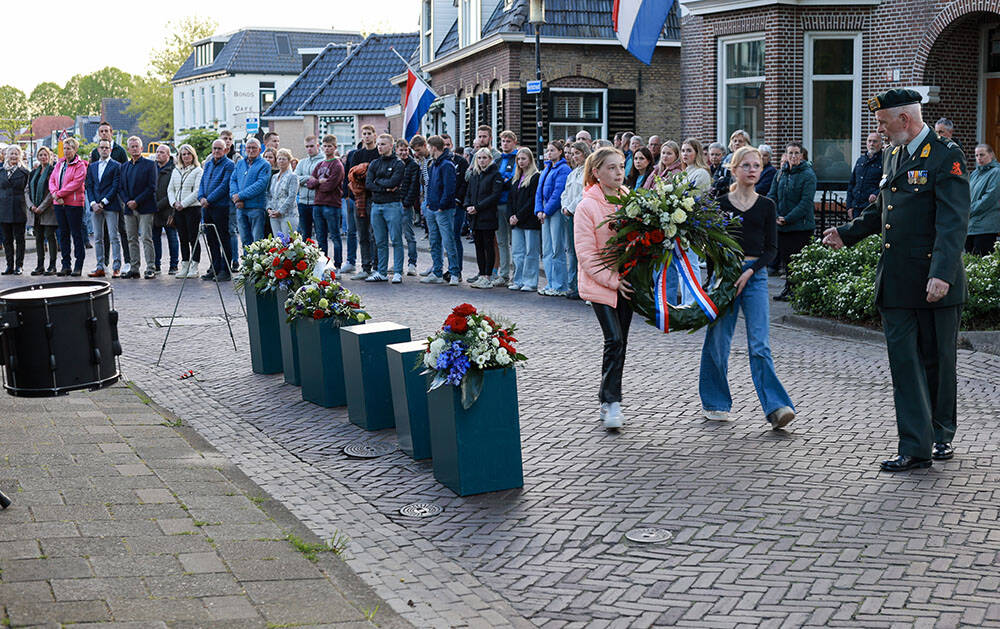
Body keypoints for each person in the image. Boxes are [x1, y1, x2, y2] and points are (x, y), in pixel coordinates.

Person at [822, 88, 969, 472]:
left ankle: (941, 433)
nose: (880, 131)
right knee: (904, 363)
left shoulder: (946, 155)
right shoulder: (893, 154)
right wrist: (847, 232)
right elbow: (882, 210)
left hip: (933, 281)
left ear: (904, 120)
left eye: (883, 123)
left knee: (937, 361)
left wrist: (941, 274)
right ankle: (916, 447)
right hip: (897, 281)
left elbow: (953, 223)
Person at [700, 146, 796, 429]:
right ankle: (716, 403)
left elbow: (771, 249)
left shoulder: (767, 205)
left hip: (756, 277)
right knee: (718, 340)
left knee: (760, 344)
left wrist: (751, 271)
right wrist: (717, 274)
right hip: (726, 275)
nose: (753, 170)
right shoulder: (719, 203)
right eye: (746, 166)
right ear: (734, 169)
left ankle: (777, 407)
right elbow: (709, 243)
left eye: (757, 165)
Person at [574, 147, 632, 430]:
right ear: (597, 172)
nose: (618, 172)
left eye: (621, 166)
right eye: (611, 168)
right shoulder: (587, 206)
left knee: (621, 343)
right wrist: (612, 281)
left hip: (627, 284)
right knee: (614, 340)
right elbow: (586, 254)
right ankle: (611, 402)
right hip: (601, 285)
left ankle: (608, 398)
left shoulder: (631, 201)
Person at [769, 141, 817, 300]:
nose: (793, 156)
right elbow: (772, 196)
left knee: (797, 261)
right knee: (786, 260)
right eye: (790, 153)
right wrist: (775, 215)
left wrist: (788, 218)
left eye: (796, 153)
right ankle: (788, 289)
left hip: (800, 227)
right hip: (781, 225)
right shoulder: (780, 174)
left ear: (802, 155)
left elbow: (805, 203)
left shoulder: (808, 175)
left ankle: (796, 291)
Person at [420, 135, 461, 285]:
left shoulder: (446, 165)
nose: (428, 150)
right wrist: (430, 204)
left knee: (448, 241)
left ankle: (454, 272)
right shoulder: (434, 165)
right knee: (434, 241)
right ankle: (437, 272)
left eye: (429, 147)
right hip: (433, 208)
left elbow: (450, 188)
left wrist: (442, 206)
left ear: (434, 148)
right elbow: (430, 186)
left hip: (443, 210)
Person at [90, 121, 130, 272]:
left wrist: (108, 199)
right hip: (98, 201)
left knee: (120, 231)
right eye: (101, 131)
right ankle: (104, 263)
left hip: (115, 199)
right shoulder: (95, 152)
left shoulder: (119, 151)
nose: (104, 133)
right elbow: (93, 178)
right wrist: (95, 201)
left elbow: (122, 174)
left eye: (106, 130)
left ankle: (125, 262)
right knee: (102, 235)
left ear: (111, 132)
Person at [365, 133, 406, 283]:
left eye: (383, 144)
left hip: (393, 205)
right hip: (376, 205)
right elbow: (368, 184)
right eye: (378, 144)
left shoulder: (398, 164)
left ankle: (397, 272)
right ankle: (381, 272)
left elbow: (394, 182)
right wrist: (384, 186)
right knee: (380, 241)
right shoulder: (374, 163)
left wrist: (379, 183)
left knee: (396, 239)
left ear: (391, 145)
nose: (379, 147)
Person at [535, 140, 572, 296]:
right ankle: (551, 283)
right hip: (545, 212)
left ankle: (560, 285)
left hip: (554, 212)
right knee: (547, 249)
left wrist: (546, 211)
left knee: (557, 249)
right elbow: (539, 191)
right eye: (547, 151)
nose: (548, 153)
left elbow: (558, 193)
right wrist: (538, 210)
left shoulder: (563, 169)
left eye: (552, 150)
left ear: (560, 152)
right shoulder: (547, 168)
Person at [119, 136, 158, 279]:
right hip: (129, 208)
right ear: (128, 149)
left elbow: (152, 187)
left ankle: (150, 267)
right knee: (131, 238)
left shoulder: (150, 165)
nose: (134, 149)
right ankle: (134, 267)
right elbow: (120, 187)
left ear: (142, 148)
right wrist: (128, 201)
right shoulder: (124, 167)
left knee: (147, 238)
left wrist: (137, 201)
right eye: (132, 146)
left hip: (146, 207)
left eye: (137, 146)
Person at [464, 148, 503, 289]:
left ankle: (488, 275)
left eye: (484, 158)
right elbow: (468, 193)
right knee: (478, 246)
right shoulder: (475, 175)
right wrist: (467, 205)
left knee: (488, 245)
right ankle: (481, 274)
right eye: (479, 158)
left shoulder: (495, 175)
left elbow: (494, 196)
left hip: (487, 216)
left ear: (490, 159)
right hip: (474, 216)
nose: (481, 161)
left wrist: (478, 207)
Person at [343, 125, 380, 276]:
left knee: (374, 234)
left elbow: (378, 174)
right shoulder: (357, 154)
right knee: (362, 233)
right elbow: (352, 175)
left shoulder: (378, 153)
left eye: (369, 133)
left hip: (374, 198)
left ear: (374, 135)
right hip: (359, 198)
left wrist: (366, 173)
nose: (366, 136)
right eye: (364, 134)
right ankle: (365, 267)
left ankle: (377, 266)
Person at [48, 137, 88, 276]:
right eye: (64, 148)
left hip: (74, 204)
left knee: (76, 234)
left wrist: (59, 194)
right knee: (63, 234)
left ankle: (78, 265)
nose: (66, 151)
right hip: (59, 203)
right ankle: (66, 265)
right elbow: (52, 179)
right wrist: (54, 193)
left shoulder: (80, 165)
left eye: (69, 148)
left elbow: (76, 183)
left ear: (75, 150)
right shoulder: (59, 164)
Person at [198, 140, 236, 282]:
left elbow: (224, 185)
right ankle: (214, 267)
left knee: (223, 238)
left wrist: (209, 199)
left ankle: (225, 269)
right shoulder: (208, 164)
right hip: (206, 207)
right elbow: (202, 183)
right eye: (214, 148)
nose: (216, 151)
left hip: (220, 207)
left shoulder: (229, 165)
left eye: (219, 149)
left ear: (225, 150)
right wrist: (201, 197)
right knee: (211, 239)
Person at [84, 140, 122, 278]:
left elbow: (115, 186)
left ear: (110, 150)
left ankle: (116, 267)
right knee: (98, 238)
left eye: (107, 148)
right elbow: (89, 185)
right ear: (98, 150)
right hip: (95, 207)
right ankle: (100, 266)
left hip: (110, 205)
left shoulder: (116, 166)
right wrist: (93, 202)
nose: (104, 150)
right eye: (102, 147)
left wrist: (103, 202)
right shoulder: (92, 166)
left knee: (113, 237)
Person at [307, 135, 346, 268]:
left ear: (335, 147)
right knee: (321, 238)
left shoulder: (338, 165)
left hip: (332, 205)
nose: (327, 148)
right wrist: (319, 181)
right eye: (325, 146)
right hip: (317, 205)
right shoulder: (320, 164)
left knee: (335, 237)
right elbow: (309, 182)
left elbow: (330, 186)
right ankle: (323, 265)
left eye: (330, 146)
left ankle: (338, 265)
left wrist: (318, 184)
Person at [560, 140, 592, 300]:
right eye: (572, 154)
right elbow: (565, 192)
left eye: (577, 153)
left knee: (580, 251)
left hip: (579, 214)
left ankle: (582, 287)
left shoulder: (588, 173)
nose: (574, 157)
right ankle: (572, 284)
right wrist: (565, 206)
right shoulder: (573, 173)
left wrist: (571, 207)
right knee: (570, 251)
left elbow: (584, 193)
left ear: (584, 153)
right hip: (568, 214)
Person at [167, 143, 203, 278]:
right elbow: (170, 189)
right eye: (183, 154)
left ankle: (194, 266)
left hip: (192, 208)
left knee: (193, 237)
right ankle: (185, 265)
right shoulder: (176, 170)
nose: (186, 156)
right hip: (178, 209)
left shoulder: (198, 170)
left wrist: (184, 203)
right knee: (182, 238)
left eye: (188, 153)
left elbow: (198, 190)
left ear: (193, 155)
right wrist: (174, 202)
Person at [508, 148, 541, 292]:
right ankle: (518, 279)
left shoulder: (535, 177)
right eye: (519, 159)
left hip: (529, 220)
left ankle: (531, 281)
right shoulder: (516, 178)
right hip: (516, 221)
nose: (521, 162)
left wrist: (519, 216)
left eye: (523, 159)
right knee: (517, 252)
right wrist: (511, 215)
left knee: (530, 252)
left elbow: (532, 200)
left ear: (530, 160)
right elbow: (511, 199)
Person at [230, 138, 270, 251]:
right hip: (240, 207)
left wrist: (240, 196)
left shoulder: (264, 165)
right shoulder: (240, 163)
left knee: (257, 242)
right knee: (245, 240)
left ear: (260, 149)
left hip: (256, 207)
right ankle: (247, 266)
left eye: (254, 148)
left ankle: (256, 267)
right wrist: (235, 197)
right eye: (248, 148)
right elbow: (233, 180)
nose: (251, 150)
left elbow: (260, 184)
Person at [442, 133, 469, 281]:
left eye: (448, 145)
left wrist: (458, 200)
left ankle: (457, 270)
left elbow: (465, 183)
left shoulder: (460, 161)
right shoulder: (436, 162)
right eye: (443, 145)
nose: (445, 147)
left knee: (454, 236)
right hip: (442, 206)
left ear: (451, 145)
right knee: (444, 238)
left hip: (456, 206)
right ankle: (448, 268)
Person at [494, 130, 519, 286]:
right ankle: (503, 274)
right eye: (503, 141)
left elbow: (513, 180)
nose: (505, 144)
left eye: (508, 141)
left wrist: (501, 182)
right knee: (501, 241)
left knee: (515, 242)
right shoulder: (498, 160)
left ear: (514, 142)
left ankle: (517, 274)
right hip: (497, 204)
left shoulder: (517, 159)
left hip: (511, 204)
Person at [26, 147, 57, 275]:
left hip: (48, 210)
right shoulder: (33, 172)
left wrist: (41, 207)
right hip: (35, 211)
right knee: (38, 238)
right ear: (37, 157)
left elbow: (52, 191)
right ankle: (40, 266)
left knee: (50, 236)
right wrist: (31, 206)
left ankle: (52, 265)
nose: (43, 157)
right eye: (41, 155)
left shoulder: (53, 171)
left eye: (45, 155)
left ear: (49, 156)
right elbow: (26, 190)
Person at [0, 146, 30, 274]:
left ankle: (19, 265)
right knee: (7, 239)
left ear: (20, 156)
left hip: (19, 208)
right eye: (11, 153)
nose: (13, 156)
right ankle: (9, 265)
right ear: (7, 155)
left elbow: (28, 191)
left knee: (20, 239)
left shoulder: (25, 172)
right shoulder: (1, 172)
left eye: (16, 154)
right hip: (3, 208)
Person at [967, 143, 1000, 255]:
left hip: (986, 227)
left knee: (981, 264)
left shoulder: (996, 172)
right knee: (969, 263)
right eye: (976, 155)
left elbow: (989, 198)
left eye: (982, 155)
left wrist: (969, 210)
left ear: (991, 155)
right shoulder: (975, 173)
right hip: (971, 226)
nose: (979, 158)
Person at [152, 145, 179, 274]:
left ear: (168, 155)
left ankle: (174, 265)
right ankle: (156, 265)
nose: (158, 154)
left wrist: (159, 205)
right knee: (154, 239)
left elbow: (173, 191)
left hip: (169, 209)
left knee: (172, 238)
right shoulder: (152, 168)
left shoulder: (174, 170)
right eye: (157, 152)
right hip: (153, 210)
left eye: (162, 152)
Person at [845, 132, 884, 220]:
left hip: (872, 208)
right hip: (856, 208)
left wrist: (876, 194)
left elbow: (887, 183)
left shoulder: (884, 161)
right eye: (869, 141)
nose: (871, 144)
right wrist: (849, 206)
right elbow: (852, 184)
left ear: (881, 144)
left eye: (875, 141)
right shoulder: (860, 160)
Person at [396, 139, 420, 276]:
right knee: (395, 236)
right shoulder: (393, 163)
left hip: (406, 204)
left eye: (406, 150)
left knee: (409, 235)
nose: (404, 152)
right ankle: (398, 262)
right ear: (396, 150)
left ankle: (412, 263)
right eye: (401, 150)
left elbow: (413, 186)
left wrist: (406, 202)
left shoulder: (413, 165)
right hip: (393, 204)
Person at [219, 129, 241, 272]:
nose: (227, 141)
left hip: (230, 199)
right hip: (217, 201)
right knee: (219, 231)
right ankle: (220, 260)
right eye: (224, 138)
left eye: (229, 139)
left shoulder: (236, 158)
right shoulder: (211, 157)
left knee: (231, 230)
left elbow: (237, 177)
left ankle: (234, 259)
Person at [294, 136, 322, 239]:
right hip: (302, 203)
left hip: (317, 203)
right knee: (305, 235)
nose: (309, 149)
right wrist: (309, 179)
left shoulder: (323, 161)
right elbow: (294, 179)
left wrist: (304, 182)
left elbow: (321, 181)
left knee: (320, 234)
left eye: (311, 146)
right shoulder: (302, 162)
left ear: (317, 146)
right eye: (307, 146)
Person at [267, 148, 298, 237]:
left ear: (289, 161)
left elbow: (292, 196)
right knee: (277, 243)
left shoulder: (293, 176)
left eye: (284, 159)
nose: (281, 161)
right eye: (279, 158)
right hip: (273, 214)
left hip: (288, 215)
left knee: (288, 243)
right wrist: (269, 208)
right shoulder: (274, 177)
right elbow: (270, 195)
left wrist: (280, 211)